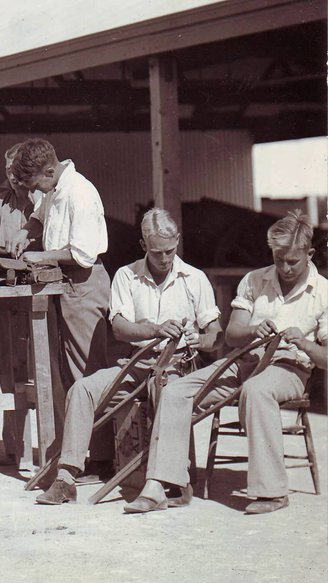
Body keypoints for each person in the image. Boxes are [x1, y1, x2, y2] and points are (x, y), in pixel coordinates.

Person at [127, 210, 327, 515]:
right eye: (278, 259)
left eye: (293, 261)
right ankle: (161, 485)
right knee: (176, 391)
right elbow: (232, 335)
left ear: (309, 254)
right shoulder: (255, 280)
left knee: (257, 390)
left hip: (289, 367)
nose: (285, 268)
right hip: (244, 361)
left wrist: (305, 342)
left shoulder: (323, 292)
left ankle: (273, 492)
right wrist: (252, 330)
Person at [37, 209, 221, 505]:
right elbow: (120, 329)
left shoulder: (194, 278)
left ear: (177, 241)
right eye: (157, 252)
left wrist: (200, 340)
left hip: (177, 365)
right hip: (137, 362)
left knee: (166, 392)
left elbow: (214, 333)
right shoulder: (126, 275)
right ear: (143, 245)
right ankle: (66, 478)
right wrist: (154, 329)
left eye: (170, 250)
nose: (165, 258)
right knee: (82, 389)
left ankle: (171, 482)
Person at [8, 138, 112, 479]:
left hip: (84, 283)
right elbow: (40, 216)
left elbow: (82, 254)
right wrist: (26, 232)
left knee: (88, 374)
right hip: (60, 284)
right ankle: (75, 453)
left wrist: (41, 255)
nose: (34, 190)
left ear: (50, 171)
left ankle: (102, 458)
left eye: (35, 183)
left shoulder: (80, 194)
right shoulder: (53, 188)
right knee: (64, 375)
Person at [0, 143, 43, 467]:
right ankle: (15, 446)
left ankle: (48, 446)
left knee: (41, 369)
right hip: (6, 296)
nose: (12, 176)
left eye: (16, 170)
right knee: (9, 367)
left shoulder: (44, 203)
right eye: (7, 169)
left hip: (37, 294)